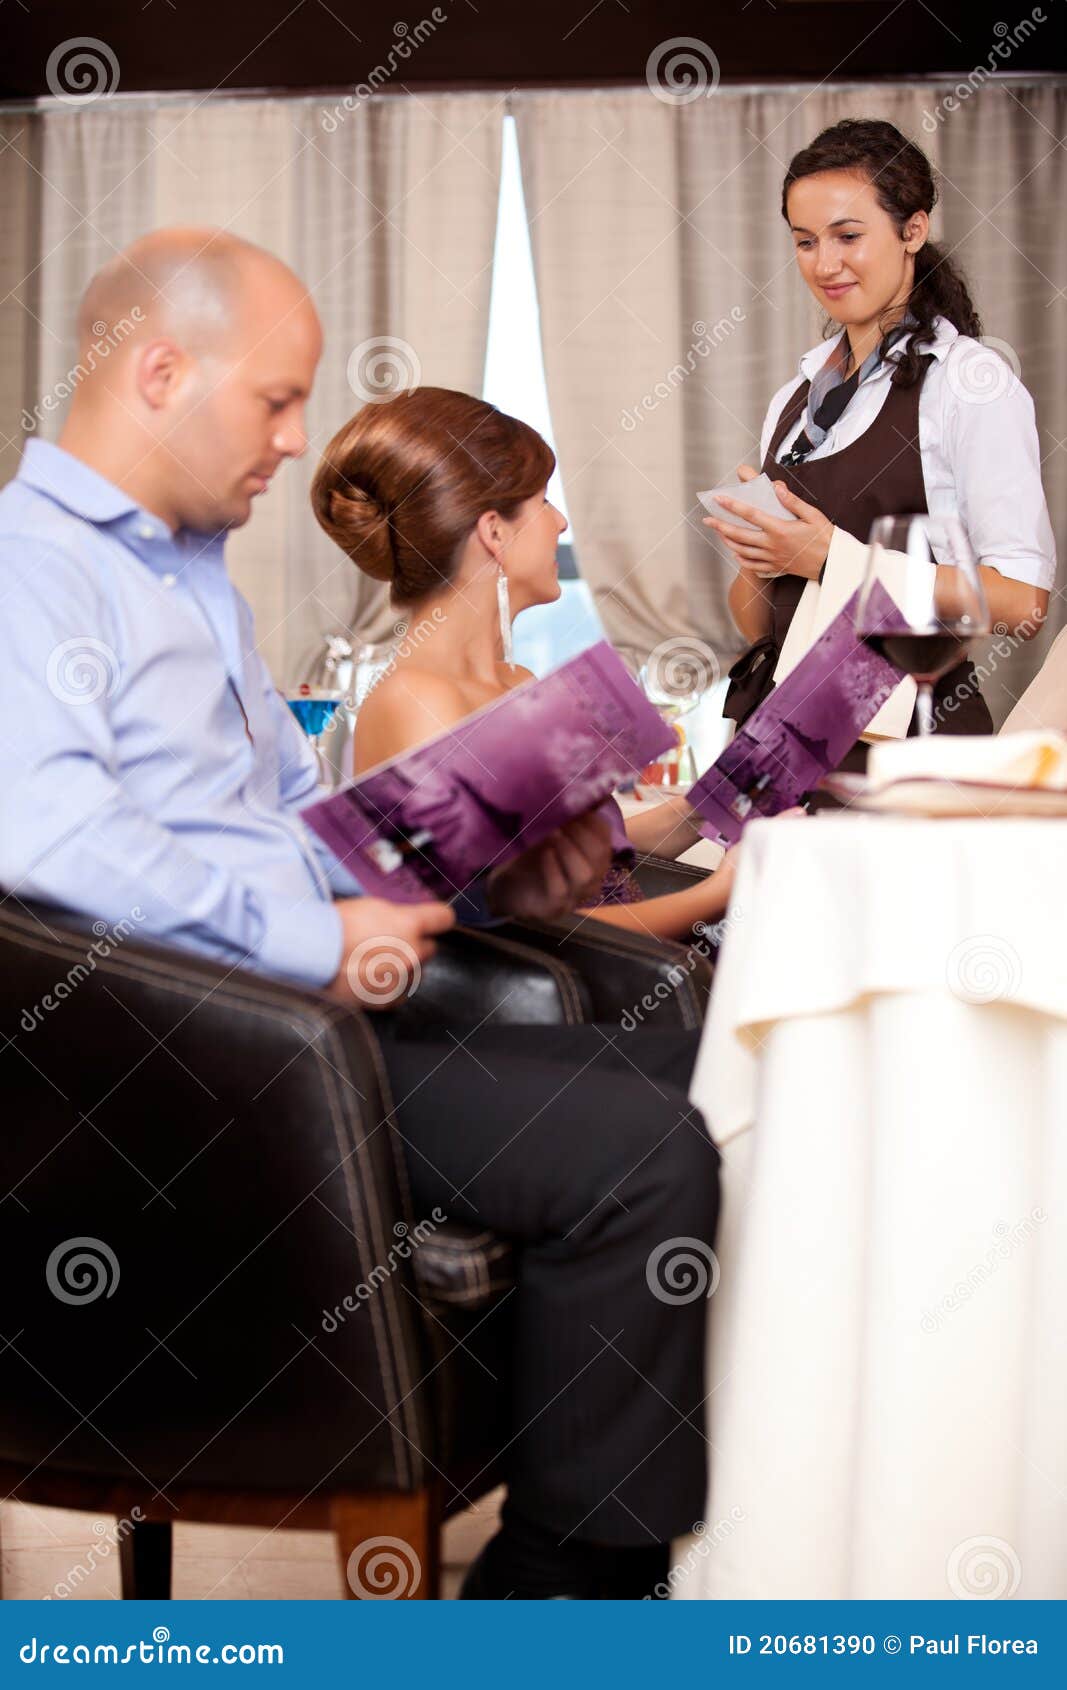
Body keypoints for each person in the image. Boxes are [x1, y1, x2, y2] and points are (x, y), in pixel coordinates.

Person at [0, 229, 719, 1600]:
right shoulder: (28, 569)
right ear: (157, 371)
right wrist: (303, 940)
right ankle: (558, 1591)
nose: (295, 440)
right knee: (639, 1154)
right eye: (275, 398)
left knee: (714, 1065)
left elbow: (297, 824)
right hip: (201, 1070)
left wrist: (480, 847)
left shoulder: (191, 573)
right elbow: (47, 840)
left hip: (312, 1024)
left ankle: (673, 1533)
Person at [310, 385, 735, 941]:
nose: (560, 523)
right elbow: (527, 939)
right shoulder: (419, 704)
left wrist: (709, 806)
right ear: (493, 532)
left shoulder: (519, 683)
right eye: (543, 503)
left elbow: (581, 862)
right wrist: (718, 893)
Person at [705, 118, 1054, 765]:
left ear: (912, 230)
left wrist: (830, 558)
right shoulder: (794, 397)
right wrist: (759, 549)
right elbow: (759, 626)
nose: (824, 263)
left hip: (909, 740)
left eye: (847, 236)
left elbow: (1021, 604)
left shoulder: (967, 382)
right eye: (804, 241)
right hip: (783, 741)